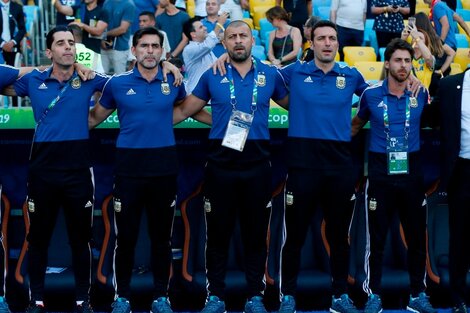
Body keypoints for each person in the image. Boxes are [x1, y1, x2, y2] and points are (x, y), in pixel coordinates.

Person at [173, 20, 289, 313]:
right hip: (220, 167)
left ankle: (255, 296)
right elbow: (187, 110)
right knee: (218, 236)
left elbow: (296, 103)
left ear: (252, 41)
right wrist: (219, 122)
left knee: (255, 235)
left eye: (243, 36)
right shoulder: (213, 74)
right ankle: (217, 297)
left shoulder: (270, 74)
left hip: (258, 167)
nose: (238, 41)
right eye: (232, 37)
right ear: (223, 44)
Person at [8, 25, 109, 313]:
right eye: (61, 44)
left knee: (81, 239)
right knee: (38, 238)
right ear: (49, 51)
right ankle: (35, 301)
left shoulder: (89, 78)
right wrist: (29, 69)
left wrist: (165, 63)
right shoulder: (34, 80)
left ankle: (82, 301)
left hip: (78, 172)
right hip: (42, 174)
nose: (68, 47)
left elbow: (125, 85)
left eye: (71, 43)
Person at [88, 26, 186, 313]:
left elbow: (184, 109)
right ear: (134, 50)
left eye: (155, 46)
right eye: (144, 46)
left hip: (164, 168)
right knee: (126, 238)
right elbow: (94, 118)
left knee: (161, 239)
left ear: (162, 51)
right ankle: (122, 298)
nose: (150, 51)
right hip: (129, 169)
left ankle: (161, 297)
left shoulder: (174, 80)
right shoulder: (117, 84)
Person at [274, 20, 368, 313]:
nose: (328, 43)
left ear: (338, 44)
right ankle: (287, 295)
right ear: (310, 44)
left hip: (339, 168)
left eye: (332, 38)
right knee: (295, 236)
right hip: (302, 167)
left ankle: (340, 295)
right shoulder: (294, 71)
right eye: (322, 38)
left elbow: (374, 99)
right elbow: (263, 79)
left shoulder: (351, 74)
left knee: (340, 236)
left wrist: (353, 125)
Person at [351, 38, 436, 313]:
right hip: (380, 173)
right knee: (375, 241)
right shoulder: (371, 95)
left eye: (407, 61)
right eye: (398, 60)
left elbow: (433, 69)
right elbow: (353, 127)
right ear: (387, 63)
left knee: (416, 238)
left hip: (412, 173)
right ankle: (372, 293)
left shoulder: (420, 93)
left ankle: (417, 293)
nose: (403, 66)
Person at [435, 67, 470, 313]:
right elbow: (429, 116)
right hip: (463, 171)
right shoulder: (449, 86)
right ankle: (459, 298)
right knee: (460, 236)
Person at [182, 15, 227, 94]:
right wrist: (219, 24)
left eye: (203, 26)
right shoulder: (188, 49)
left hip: (208, 94)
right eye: (201, 27)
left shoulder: (206, 50)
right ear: (193, 34)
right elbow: (208, 44)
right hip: (195, 95)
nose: (205, 28)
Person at [414, 12, 455, 97]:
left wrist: (441, 71)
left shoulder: (427, 39)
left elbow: (452, 53)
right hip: (433, 79)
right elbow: (452, 53)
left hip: (431, 78)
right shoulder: (435, 38)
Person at [101, 0, 136, 74]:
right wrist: (102, 39)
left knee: (119, 78)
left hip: (120, 48)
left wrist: (103, 35)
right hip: (104, 46)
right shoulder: (107, 2)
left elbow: (122, 29)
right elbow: (102, 23)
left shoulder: (129, 5)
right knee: (101, 76)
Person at [401, 23, 435, 89]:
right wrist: (402, 40)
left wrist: (416, 37)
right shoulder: (405, 57)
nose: (416, 39)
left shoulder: (430, 58)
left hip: (422, 94)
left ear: (425, 43)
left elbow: (428, 58)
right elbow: (394, 56)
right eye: (414, 37)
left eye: (420, 38)